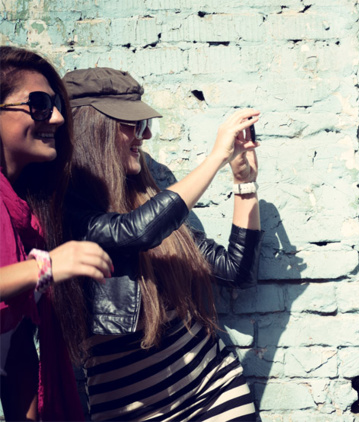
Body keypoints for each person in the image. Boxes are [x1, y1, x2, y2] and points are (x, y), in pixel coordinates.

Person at [56, 67, 263, 421]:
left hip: (214, 391)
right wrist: (214, 158)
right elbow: (133, 233)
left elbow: (234, 270)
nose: (146, 134)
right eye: (133, 125)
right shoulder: (62, 206)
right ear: (94, 130)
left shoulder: (150, 185)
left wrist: (244, 182)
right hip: (130, 412)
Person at [0, 46, 113, 421]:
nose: (60, 118)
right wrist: (46, 267)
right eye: (39, 104)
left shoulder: (24, 215)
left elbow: (15, 345)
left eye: (56, 105)